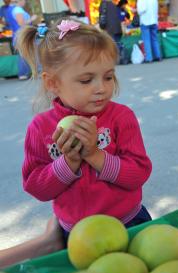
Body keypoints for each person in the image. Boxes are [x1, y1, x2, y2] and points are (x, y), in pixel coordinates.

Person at [16, 19, 153, 242]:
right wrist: (68, 162)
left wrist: (94, 155)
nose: (101, 88)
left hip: (129, 222)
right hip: (78, 234)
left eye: (108, 77)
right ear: (52, 83)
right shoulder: (40, 128)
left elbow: (139, 173)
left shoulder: (121, 117)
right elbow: (37, 187)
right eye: (86, 80)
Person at [10, 0, 36, 80]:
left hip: (22, 34)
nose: (25, 2)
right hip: (21, 34)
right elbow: (21, 23)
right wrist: (32, 19)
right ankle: (23, 74)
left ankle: (27, 73)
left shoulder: (18, 9)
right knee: (24, 55)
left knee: (25, 54)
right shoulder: (17, 10)